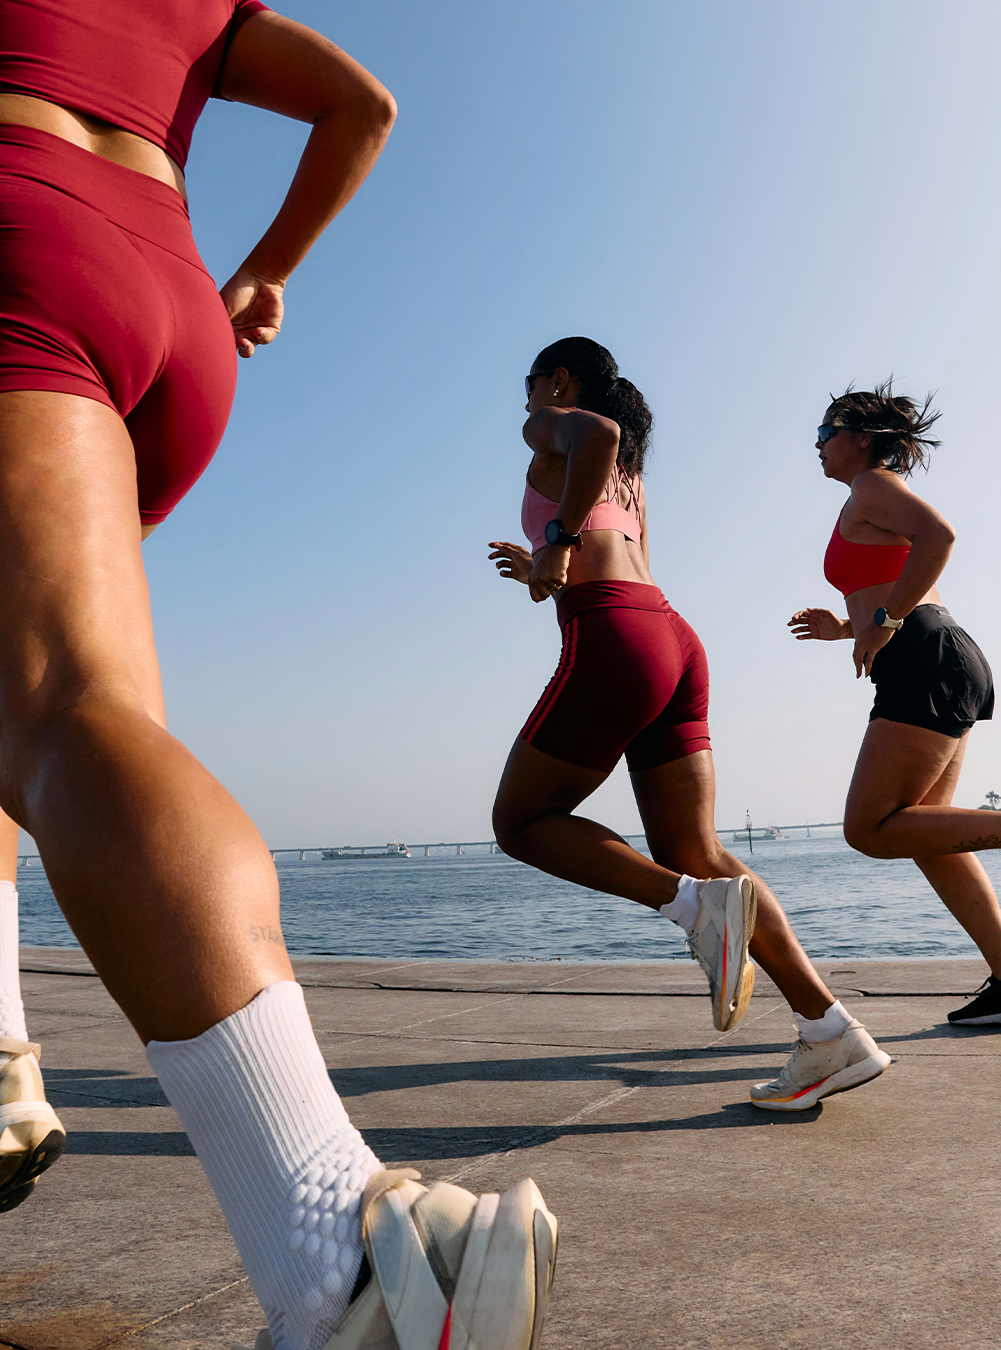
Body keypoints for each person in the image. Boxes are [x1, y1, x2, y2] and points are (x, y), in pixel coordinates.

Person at [0, 7, 557, 1350]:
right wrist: (260, 273)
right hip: (164, 281)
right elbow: (362, 106)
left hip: (19, 239)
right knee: (30, 706)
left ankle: (353, 1246)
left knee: (71, 708)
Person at [488, 336, 892, 1113]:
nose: (528, 400)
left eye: (534, 384)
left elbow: (593, 448)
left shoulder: (563, 425)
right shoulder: (629, 479)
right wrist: (546, 559)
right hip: (669, 638)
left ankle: (687, 908)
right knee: (696, 851)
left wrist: (557, 544)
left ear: (560, 380)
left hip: (616, 638)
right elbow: (608, 561)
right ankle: (829, 1029)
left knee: (523, 822)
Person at [790, 382, 1001, 1027]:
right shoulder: (863, 497)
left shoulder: (872, 484)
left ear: (860, 437)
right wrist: (848, 627)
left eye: (823, 433)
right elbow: (892, 577)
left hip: (923, 653)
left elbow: (940, 536)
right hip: (932, 654)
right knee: (931, 834)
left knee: (870, 829)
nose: (816, 446)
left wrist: (884, 620)